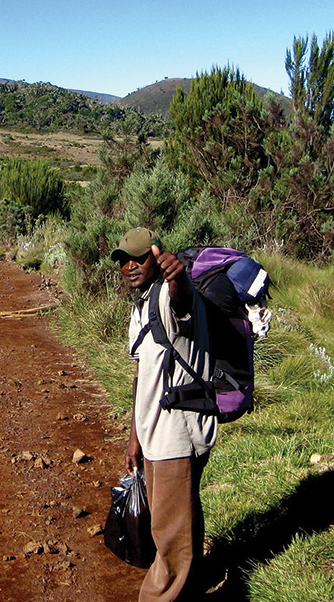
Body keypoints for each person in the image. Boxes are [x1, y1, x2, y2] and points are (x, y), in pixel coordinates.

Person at [110, 227, 217, 602]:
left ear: (157, 258)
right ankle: (194, 579)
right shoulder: (141, 307)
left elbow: (183, 304)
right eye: (123, 260)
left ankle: (161, 596)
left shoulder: (171, 297)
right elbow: (143, 373)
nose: (129, 266)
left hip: (177, 431)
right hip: (153, 433)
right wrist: (134, 436)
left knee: (169, 532)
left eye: (138, 258)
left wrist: (178, 278)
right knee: (176, 515)